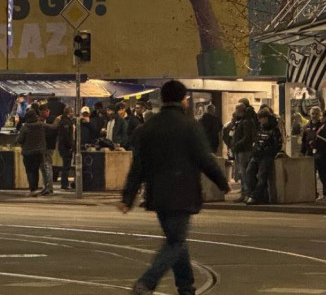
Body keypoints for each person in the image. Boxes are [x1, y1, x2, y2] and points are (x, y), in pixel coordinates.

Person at [121, 80, 229, 295]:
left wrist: (128, 197)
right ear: (183, 99)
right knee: (175, 242)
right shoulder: (189, 125)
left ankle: (186, 287)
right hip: (183, 193)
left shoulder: (149, 127)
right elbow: (204, 158)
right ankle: (147, 282)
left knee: (176, 239)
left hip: (158, 194)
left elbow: (138, 166)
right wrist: (222, 182)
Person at [243, 107, 282, 205]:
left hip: (266, 156)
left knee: (261, 176)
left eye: (261, 118)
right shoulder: (261, 128)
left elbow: (277, 145)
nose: (259, 120)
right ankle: (254, 194)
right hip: (256, 155)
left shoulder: (274, 130)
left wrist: (266, 151)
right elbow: (256, 141)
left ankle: (255, 196)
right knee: (249, 173)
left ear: (266, 118)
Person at [16, 110, 55, 196]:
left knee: (29, 171)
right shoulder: (41, 125)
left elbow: (20, 140)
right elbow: (53, 127)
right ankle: (36, 188)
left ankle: (32, 189)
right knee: (36, 170)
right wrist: (57, 120)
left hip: (27, 152)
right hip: (39, 152)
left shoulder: (25, 127)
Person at [230, 102, 257, 201]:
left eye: (236, 109)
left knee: (244, 172)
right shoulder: (242, 121)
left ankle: (246, 193)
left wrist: (236, 145)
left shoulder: (245, 122)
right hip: (242, 150)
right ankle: (245, 192)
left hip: (244, 150)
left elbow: (246, 137)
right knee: (242, 173)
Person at [314, 110, 326, 199]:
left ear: (325, 117)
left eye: (322, 116)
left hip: (324, 153)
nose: (321, 118)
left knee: (324, 174)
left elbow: (322, 141)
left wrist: (314, 144)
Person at [57, 106, 75, 190]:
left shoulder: (64, 121)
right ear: (69, 112)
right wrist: (70, 145)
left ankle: (64, 183)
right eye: (72, 112)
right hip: (65, 147)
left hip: (64, 146)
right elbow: (66, 136)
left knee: (66, 165)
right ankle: (64, 184)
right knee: (66, 166)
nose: (73, 114)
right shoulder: (66, 122)